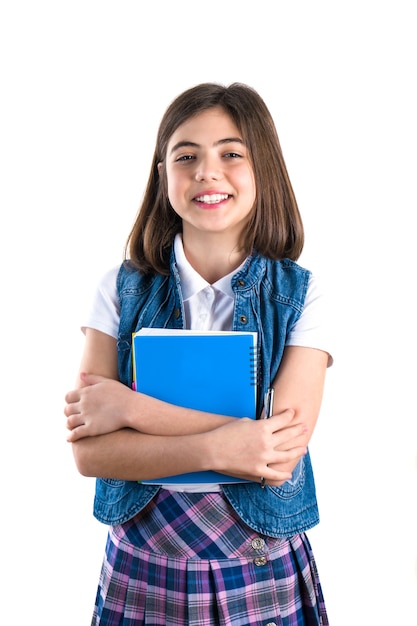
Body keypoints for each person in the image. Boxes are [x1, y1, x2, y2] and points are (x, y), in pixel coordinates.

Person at [64, 82, 332, 626]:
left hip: (259, 564)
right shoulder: (119, 289)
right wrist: (228, 445)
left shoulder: (306, 294)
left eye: (232, 154)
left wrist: (131, 411)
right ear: (163, 178)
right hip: (143, 559)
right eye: (186, 157)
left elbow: (276, 459)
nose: (207, 172)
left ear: (265, 172)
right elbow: (92, 455)